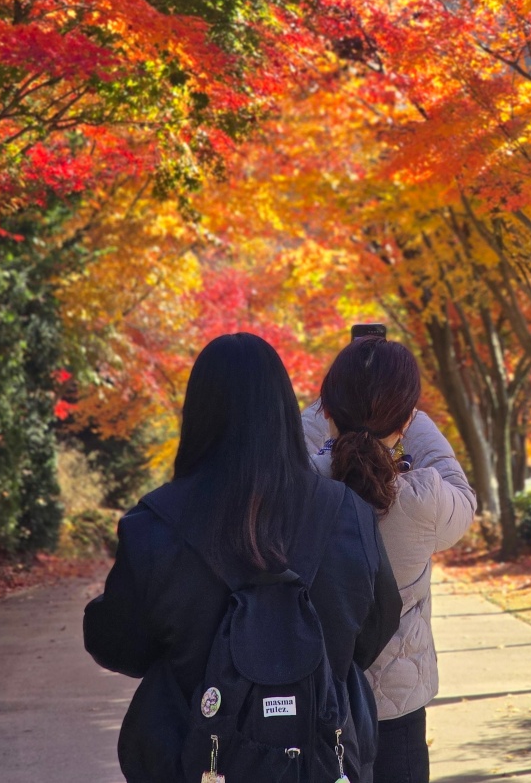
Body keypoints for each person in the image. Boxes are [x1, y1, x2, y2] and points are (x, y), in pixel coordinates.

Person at [84, 332, 402, 783]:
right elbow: (375, 628)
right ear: (284, 411)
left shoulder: (153, 524)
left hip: (191, 761)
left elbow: (119, 644)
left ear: (196, 414)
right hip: (322, 760)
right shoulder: (348, 512)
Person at [303, 337, 476, 783]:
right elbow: (463, 495)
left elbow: (302, 443)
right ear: (405, 417)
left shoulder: (297, 489)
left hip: (309, 699)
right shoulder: (423, 498)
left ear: (329, 410)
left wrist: (327, 405)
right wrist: (412, 421)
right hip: (395, 706)